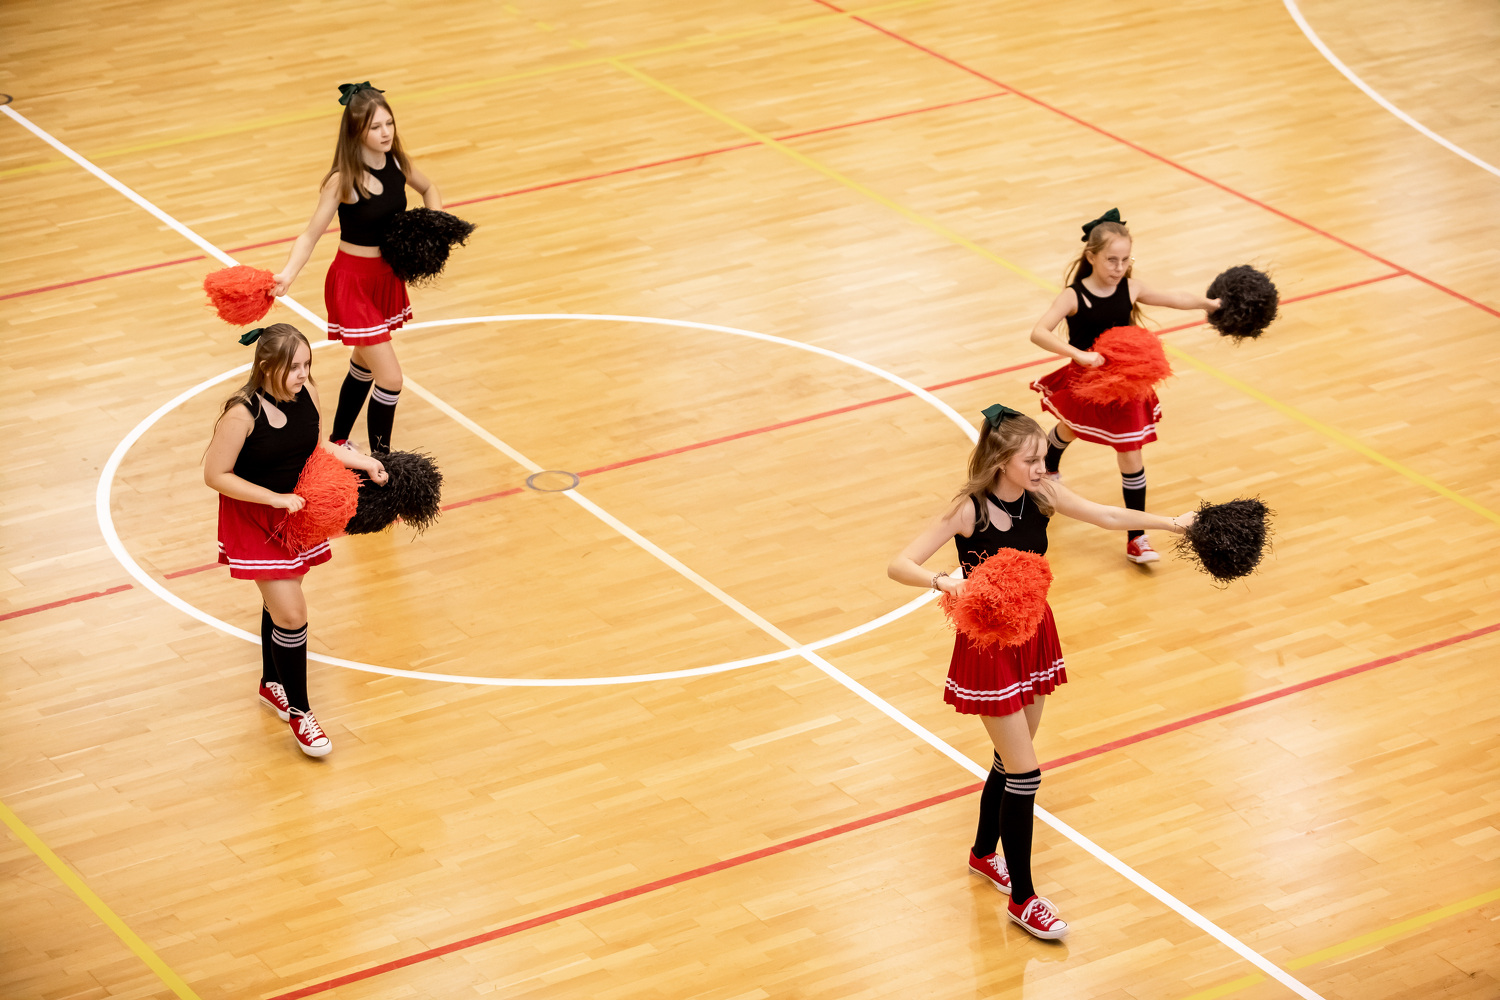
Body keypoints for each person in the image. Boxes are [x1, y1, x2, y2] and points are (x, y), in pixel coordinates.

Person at [887, 404, 1195, 939]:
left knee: (1011, 761)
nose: (1041, 467)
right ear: (1001, 461)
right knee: (1025, 772)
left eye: (1041, 458)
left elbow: (1107, 515)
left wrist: (1174, 523)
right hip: (989, 646)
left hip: (1034, 632)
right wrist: (946, 581)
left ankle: (983, 853)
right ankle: (1024, 900)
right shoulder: (969, 510)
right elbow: (899, 564)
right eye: (1030, 460)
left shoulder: (1043, 494)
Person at [204, 323, 388, 757]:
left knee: (280, 605)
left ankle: (272, 683)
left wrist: (365, 461)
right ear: (267, 366)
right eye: (294, 367)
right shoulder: (241, 414)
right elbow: (215, 475)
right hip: (256, 517)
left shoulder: (309, 394)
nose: (303, 374)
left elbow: (317, 447)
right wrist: (273, 498)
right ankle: (301, 713)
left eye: (307, 364)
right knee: (291, 613)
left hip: (295, 516)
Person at [1028, 208, 1219, 565]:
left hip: (1126, 385)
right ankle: (1050, 466)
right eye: (1111, 260)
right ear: (1091, 257)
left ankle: (1137, 538)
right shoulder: (1074, 296)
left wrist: (1208, 303)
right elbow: (1039, 332)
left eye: (1126, 259)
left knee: (1130, 452)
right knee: (1071, 428)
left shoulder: (1131, 288)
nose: (1119, 267)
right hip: (1088, 381)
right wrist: (1078, 355)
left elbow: (1173, 297)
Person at [272, 82, 443, 454]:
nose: (385, 133)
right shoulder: (342, 181)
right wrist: (287, 275)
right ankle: (382, 462)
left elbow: (430, 189)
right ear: (356, 132)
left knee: (364, 363)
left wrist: (435, 229)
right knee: (391, 379)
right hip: (353, 284)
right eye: (375, 127)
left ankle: (337, 442)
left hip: (386, 279)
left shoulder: (397, 163)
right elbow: (310, 235)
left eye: (389, 123)